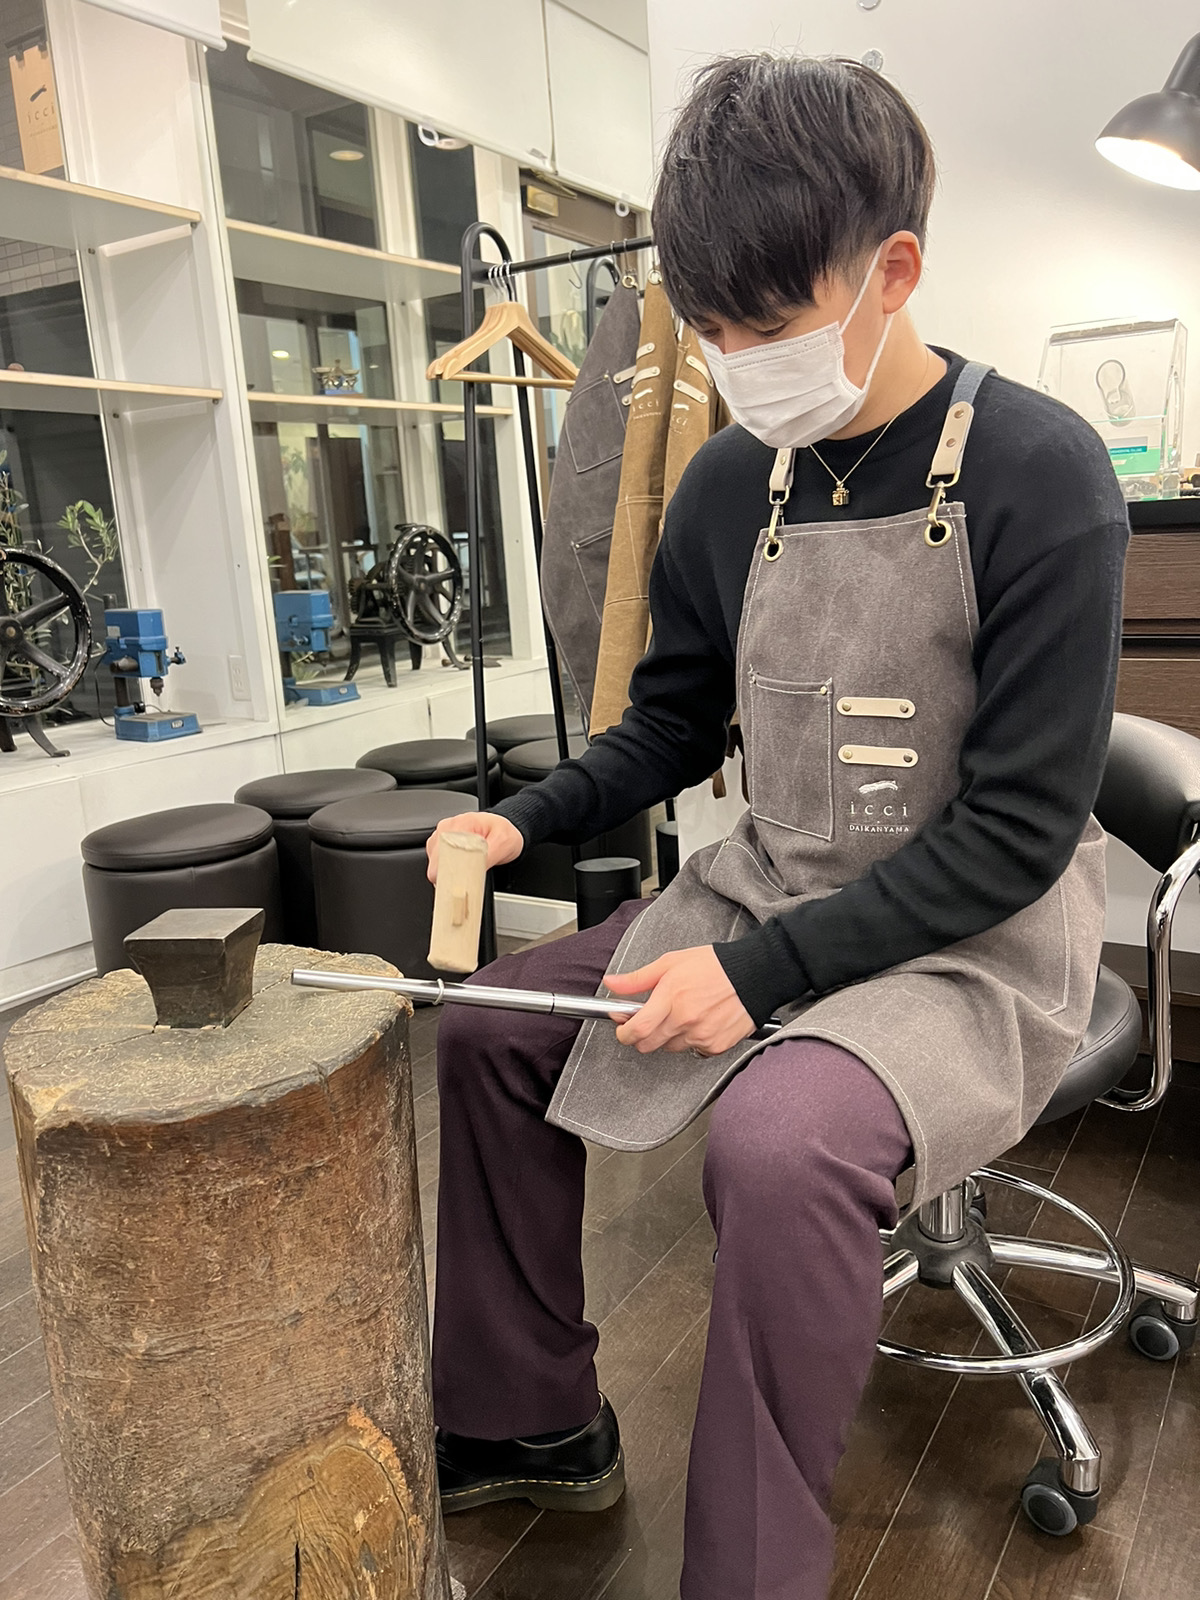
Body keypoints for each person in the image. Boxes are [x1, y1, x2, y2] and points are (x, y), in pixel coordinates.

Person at [427, 52, 1129, 1600]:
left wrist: (756, 986)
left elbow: (1018, 834)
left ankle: (750, 1573)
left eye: (769, 323)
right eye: (713, 328)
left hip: (976, 942)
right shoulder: (731, 486)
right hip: (770, 891)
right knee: (488, 1029)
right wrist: (516, 825)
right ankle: (529, 1420)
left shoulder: (1043, 475)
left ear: (893, 272)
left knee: (777, 1139)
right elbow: (670, 729)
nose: (739, 362)